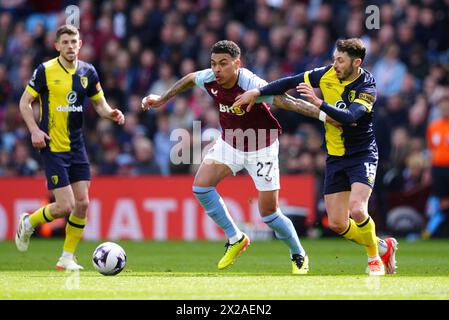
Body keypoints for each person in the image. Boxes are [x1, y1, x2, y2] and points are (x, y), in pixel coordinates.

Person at [142, 40, 340, 274]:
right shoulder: (209, 78)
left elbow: (287, 102)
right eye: (214, 63)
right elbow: (189, 78)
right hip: (231, 142)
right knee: (201, 187)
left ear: (237, 64)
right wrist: (162, 98)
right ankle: (236, 237)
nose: (217, 69)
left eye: (223, 64)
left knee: (269, 214)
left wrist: (325, 116)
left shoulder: (251, 84)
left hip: (261, 146)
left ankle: (298, 254)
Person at [234, 38, 398, 276]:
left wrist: (318, 102)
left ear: (357, 62)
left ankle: (373, 258)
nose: (335, 64)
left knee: (358, 210)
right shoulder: (326, 74)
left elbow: (350, 117)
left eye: (340, 60)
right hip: (335, 156)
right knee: (337, 223)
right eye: (334, 59)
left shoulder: (367, 87)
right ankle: (385, 246)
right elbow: (290, 81)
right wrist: (257, 91)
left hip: (362, 154)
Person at [15, 24, 125, 270]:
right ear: (57, 46)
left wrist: (112, 114)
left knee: (83, 203)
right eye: (65, 42)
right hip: (53, 145)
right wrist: (34, 130)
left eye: (74, 42)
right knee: (65, 206)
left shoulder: (88, 71)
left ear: (80, 44)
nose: (70, 46)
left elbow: (100, 104)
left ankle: (66, 257)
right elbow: (25, 102)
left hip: (77, 146)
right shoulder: (45, 70)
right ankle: (28, 223)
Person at [424, 95, 449, 238]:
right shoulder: (433, 126)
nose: (445, 109)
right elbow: (430, 150)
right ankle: (443, 231)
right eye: (443, 106)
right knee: (442, 202)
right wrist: (428, 170)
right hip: (438, 168)